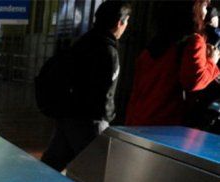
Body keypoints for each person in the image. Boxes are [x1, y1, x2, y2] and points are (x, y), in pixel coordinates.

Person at [40, 1, 131, 172]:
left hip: (68, 116)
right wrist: (109, 117)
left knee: (51, 166)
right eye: (126, 22)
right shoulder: (108, 50)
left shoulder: (82, 43)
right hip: (90, 121)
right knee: (98, 172)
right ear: (120, 22)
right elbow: (105, 94)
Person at [126, 0, 220, 126]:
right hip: (165, 128)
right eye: (204, 5)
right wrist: (211, 62)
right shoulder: (194, 42)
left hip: (139, 122)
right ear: (193, 8)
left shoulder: (155, 44)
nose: (208, 11)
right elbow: (194, 80)